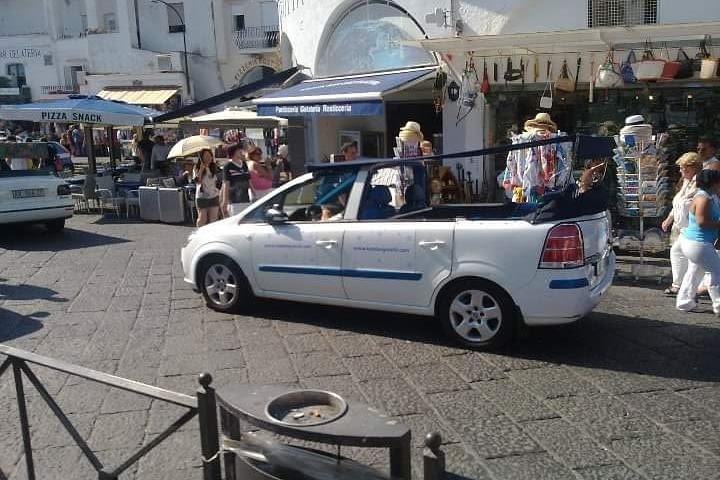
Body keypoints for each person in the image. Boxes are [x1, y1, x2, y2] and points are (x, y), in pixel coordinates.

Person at [676, 169, 720, 315]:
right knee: (716, 272)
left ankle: (684, 302)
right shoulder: (704, 198)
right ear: (713, 182)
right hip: (699, 244)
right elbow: (701, 222)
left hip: (694, 243)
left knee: (694, 273)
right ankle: (718, 305)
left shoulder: (707, 196)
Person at [661, 152, 703, 295]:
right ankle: (681, 285)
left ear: (692, 168)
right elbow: (678, 203)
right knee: (677, 252)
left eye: (682, 167)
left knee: (690, 257)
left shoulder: (700, 183)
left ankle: (688, 288)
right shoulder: (685, 182)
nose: (680, 170)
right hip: (681, 227)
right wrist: (669, 219)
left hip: (692, 227)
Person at [221, 143, 251, 217]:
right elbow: (226, 184)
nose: (241, 151)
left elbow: (249, 180)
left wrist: (254, 194)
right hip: (234, 201)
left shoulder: (244, 164)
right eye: (239, 150)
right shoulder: (228, 166)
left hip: (246, 199)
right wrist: (225, 201)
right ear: (234, 152)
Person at [193, 149, 221, 227]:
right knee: (202, 218)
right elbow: (197, 181)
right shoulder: (197, 167)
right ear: (201, 158)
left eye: (210, 156)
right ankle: (199, 233)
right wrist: (201, 170)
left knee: (214, 219)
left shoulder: (214, 167)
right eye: (205, 156)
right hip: (202, 196)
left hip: (214, 195)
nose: (208, 158)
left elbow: (217, 181)